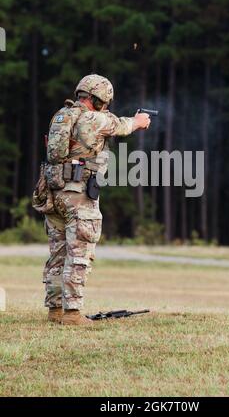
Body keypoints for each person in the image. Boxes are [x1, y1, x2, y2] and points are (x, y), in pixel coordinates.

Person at [43, 74, 150, 326]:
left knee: (57, 253)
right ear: (97, 99)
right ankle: (72, 314)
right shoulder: (94, 118)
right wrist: (139, 121)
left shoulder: (62, 115)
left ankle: (55, 310)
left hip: (54, 191)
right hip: (78, 194)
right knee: (79, 252)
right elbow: (123, 126)